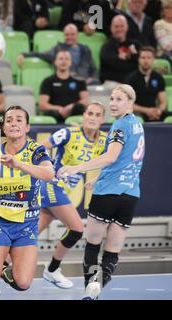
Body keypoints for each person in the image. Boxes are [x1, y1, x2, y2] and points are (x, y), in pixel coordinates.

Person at [58, 84, 145, 300]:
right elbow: (125, 161)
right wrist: (97, 178)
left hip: (107, 194)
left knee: (92, 245)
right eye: (112, 99)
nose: (113, 103)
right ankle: (96, 288)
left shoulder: (119, 126)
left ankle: (90, 290)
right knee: (113, 251)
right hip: (130, 195)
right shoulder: (138, 126)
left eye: (119, 99)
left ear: (130, 103)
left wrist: (76, 168)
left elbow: (111, 157)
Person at [0, 106, 54, 300]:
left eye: (19, 120)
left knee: (23, 283)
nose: (14, 123)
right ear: (4, 127)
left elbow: (49, 173)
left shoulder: (36, 151)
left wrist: (18, 164)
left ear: (27, 127)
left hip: (27, 224)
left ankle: (3, 271)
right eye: (9, 120)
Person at [38, 102, 107, 289]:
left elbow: (110, 162)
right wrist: (48, 167)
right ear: (83, 115)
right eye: (89, 113)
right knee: (77, 228)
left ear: (103, 119)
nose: (92, 117)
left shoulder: (104, 140)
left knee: (29, 235)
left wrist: (98, 179)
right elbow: (38, 149)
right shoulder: (69, 133)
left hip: (63, 191)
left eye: (97, 114)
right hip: (52, 186)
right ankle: (52, 270)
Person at [18, 24, 99, 84]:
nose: (69, 37)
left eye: (72, 34)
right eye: (67, 34)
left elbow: (93, 68)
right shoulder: (58, 49)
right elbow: (41, 54)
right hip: (67, 82)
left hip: (85, 82)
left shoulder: (85, 50)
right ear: (63, 36)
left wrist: (92, 78)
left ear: (77, 35)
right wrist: (24, 54)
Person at [39, 50, 89, 123]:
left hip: (74, 113)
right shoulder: (48, 81)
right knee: (51, 113)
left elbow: (86, 101)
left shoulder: (79, 81)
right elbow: (42, 105)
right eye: (61, 59)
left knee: (79, 107)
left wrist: (70, 107)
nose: (64, 61)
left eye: (66, 59)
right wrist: (59, 108)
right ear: (55, 62)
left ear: (70, 62)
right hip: (56, 114)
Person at [125, 46, 171, 122]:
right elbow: (128, 104)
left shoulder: (159, 78)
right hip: (138, 112)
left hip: (154, 112)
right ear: (139, 60)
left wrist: (158, 111)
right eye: (143, 58)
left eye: (149, 58)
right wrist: (147, 111)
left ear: (153, 60)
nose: (146, 61)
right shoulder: (130, 79)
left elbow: (163, 102)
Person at [100, 15, 139, 84]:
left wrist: (127, 58)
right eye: (116, 26)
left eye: (122, 26)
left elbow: (141, 63)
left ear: (127, 27)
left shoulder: (135, 44)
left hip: (133, 82)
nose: (119, 29)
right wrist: (132, 59)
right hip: (113, 82)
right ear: (111, 28)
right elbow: (115, 64)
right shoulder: (107, 47)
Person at [153, 0, 172, 67]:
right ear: (163, 10)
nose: (169, 10)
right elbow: (165, 46)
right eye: (167, 8)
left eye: (171, 8)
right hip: (164, 57)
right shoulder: (159, 24)